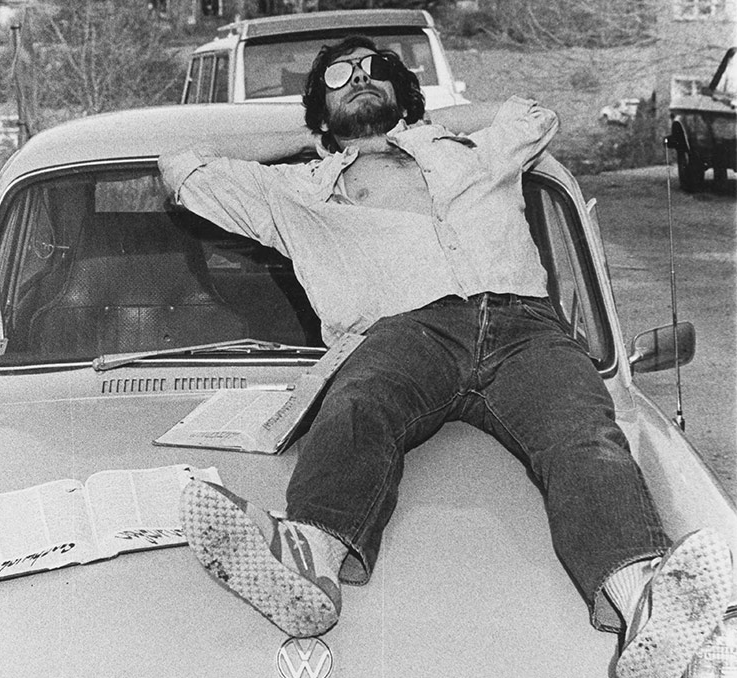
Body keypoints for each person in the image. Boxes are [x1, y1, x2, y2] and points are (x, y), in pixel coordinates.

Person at [159, 35, 732, 678]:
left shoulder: (474, 152)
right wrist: (308, 136)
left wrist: (416, 122)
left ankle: (646, 609)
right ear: (318, 110)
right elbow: (184, 169)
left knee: (586, 436)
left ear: (406, 95)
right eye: (340, 77)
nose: (359, 79)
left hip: (527, 329)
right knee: (356, 402)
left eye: (376, 72)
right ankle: (309, 559)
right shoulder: (293, 192)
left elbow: (531, 111)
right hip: (406, 332)